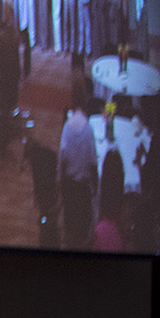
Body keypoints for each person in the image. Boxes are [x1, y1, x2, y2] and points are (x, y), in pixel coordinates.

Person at [57, 104, 97, 249]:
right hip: (83, 186)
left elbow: (63, 157)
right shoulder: (88, 129)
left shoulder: (67, 127)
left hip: (69, 184)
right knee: (83, 223)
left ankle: (69, 244)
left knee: (70, 221)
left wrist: (60, 183)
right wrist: (96, 186)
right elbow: (93, 161)